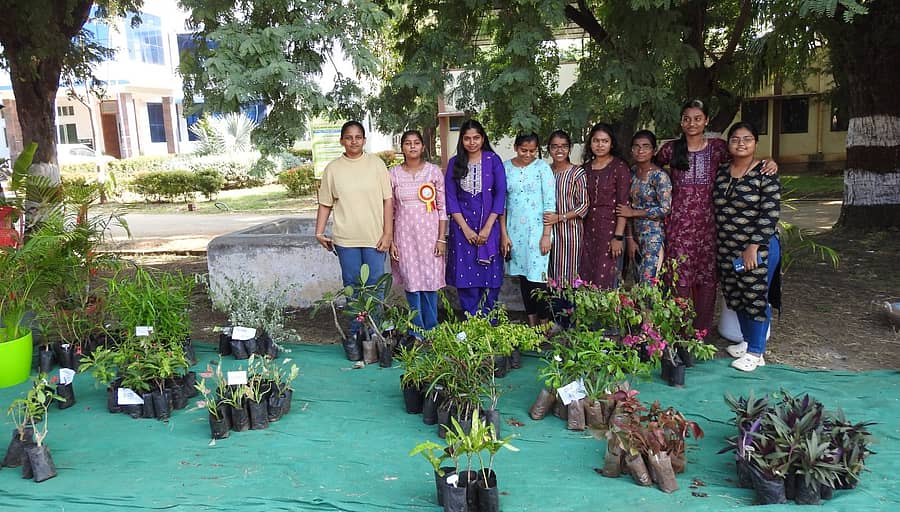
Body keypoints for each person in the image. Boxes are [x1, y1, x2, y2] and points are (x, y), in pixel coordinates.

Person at [656, 99, 776, 335]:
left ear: (706, 121)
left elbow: (743, 160)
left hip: (712, 226)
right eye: (687, 119)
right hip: (679, 225)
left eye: (698, 118)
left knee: (707, 279)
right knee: (678, 276)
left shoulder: (718, 148)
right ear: (681, 122)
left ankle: (700, 332)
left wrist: (769, 161)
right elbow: (649, 166)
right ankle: (678, 331)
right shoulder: (671, 149)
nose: (692, 123)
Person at [713, 122, 781, 372]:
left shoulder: (765, 173)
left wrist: (753, 246)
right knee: (736, 294)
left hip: (756, 248)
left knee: (754, 295)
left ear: (755, 143)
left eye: (747, 139)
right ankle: (747, 340)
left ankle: (756, 352)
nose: (741, 143)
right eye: (735, 139)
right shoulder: (722, 171)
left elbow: (770, 213)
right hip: (727, 246)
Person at [315, 121, 393, 339]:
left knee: (375, 286)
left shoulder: (376, 165)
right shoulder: (333, 169)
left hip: (375, 238)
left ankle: (375, 333)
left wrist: (388, 233)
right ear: (342, 141)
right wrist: (319, 232)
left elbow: (388, 201)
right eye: (349, 137)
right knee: (352, 287)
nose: (354, 141)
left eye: (358, 137)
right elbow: (325, 203)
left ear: (364, 140)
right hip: (346, 240)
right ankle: (357, 333)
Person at [445, 120, 507, 317]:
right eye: (467, 138)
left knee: (490, 276)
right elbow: (451, 198)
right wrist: (466, 229)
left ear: (483, 138)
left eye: (476, 138)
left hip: (489, 226)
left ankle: (490, 323)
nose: (472, 142)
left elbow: (501, 194)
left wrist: (488, 228)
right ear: (462, 140)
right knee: (466, 277)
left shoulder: (493, 160)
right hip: (463, 229)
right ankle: (471, 322)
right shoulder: (455, 163)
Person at [389, 130, 447, 337]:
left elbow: (442, 207)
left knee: (429, 280)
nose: (412, 147)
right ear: (402, 148)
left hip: (430, 236)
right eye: (407, 143)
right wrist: (392, 242)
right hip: (404, 237)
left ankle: (432, 326)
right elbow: (391, 210)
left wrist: (441, 238)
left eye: (416, 143)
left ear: (423, 147)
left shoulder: (433, 172)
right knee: (412, 281)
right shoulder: (393, 174)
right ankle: (416, 329)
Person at [499, 133, 556, 326]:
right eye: (524, 150)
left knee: (538, 279)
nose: (528, 154)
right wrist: (504, 235)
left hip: (538, 232)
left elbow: (550, 203)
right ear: (516, 147)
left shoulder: (542, 168)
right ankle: (532, 324)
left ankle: (545, 323)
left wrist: (546, 234)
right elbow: (503, 204)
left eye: (532, 151)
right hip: (515, 231)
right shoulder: (505, 168)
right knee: (523, 278)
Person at [579, 122, 631, 289]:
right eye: (596, 141)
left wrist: (618, 237)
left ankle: (606, 316)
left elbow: (623, 205)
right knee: (586, 277)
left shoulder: (619, 167)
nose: (600, 145)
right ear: (590, 143)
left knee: (607, 280)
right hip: (587, 230)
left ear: (612, 143)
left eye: (604, 141)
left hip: (610, 231)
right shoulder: (584, 169)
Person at [616, 130, 672, 283]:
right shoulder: (631, 172)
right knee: (634, 283)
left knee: (648, 284)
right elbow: (625, 209)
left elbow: (665, 209)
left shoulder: (659, 176)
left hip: (653, 237)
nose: (641, 150)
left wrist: (634, 213)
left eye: (646, 146)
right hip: (634, 235)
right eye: (636, 146)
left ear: (654, 150)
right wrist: (629, 238)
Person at [543, 130, 589, 288]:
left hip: (570, 232)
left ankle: (568, 311)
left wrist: (560, 217)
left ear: (569, 149)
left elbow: (583, 205)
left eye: (563, 146)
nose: (559, 150)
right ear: (549, 149)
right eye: (555, 146)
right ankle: (552, 311)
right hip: (547, 231)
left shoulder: (577, 173)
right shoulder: (545, 171)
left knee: (568, 276)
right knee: (549, 275)